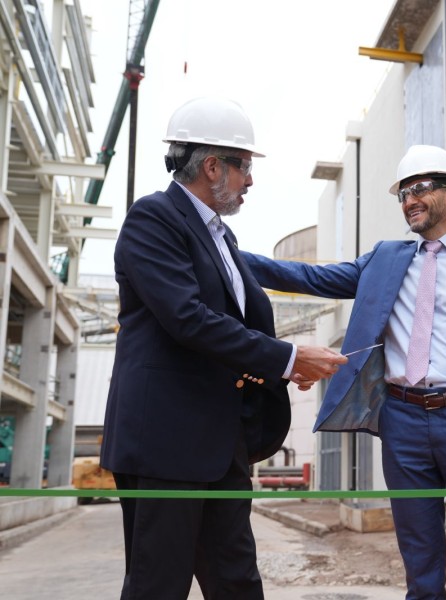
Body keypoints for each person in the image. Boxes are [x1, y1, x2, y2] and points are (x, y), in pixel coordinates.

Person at [243, 144, 446, 599]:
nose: (410, 200)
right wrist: (225, 254)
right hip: (402, 423)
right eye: (403, 193)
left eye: (420, 188)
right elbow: (312, 278)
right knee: (420, 569)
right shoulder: (385, 258)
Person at [99, 96, 347, 600]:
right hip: (165, 446)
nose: (250, 179)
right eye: (245, 167)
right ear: (212, 166)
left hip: (220, 445)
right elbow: (188, 319)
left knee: (237, 582)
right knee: (158, 585)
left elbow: (251, 306)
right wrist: (288, 357)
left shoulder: (222, 238)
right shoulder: (154, 220)